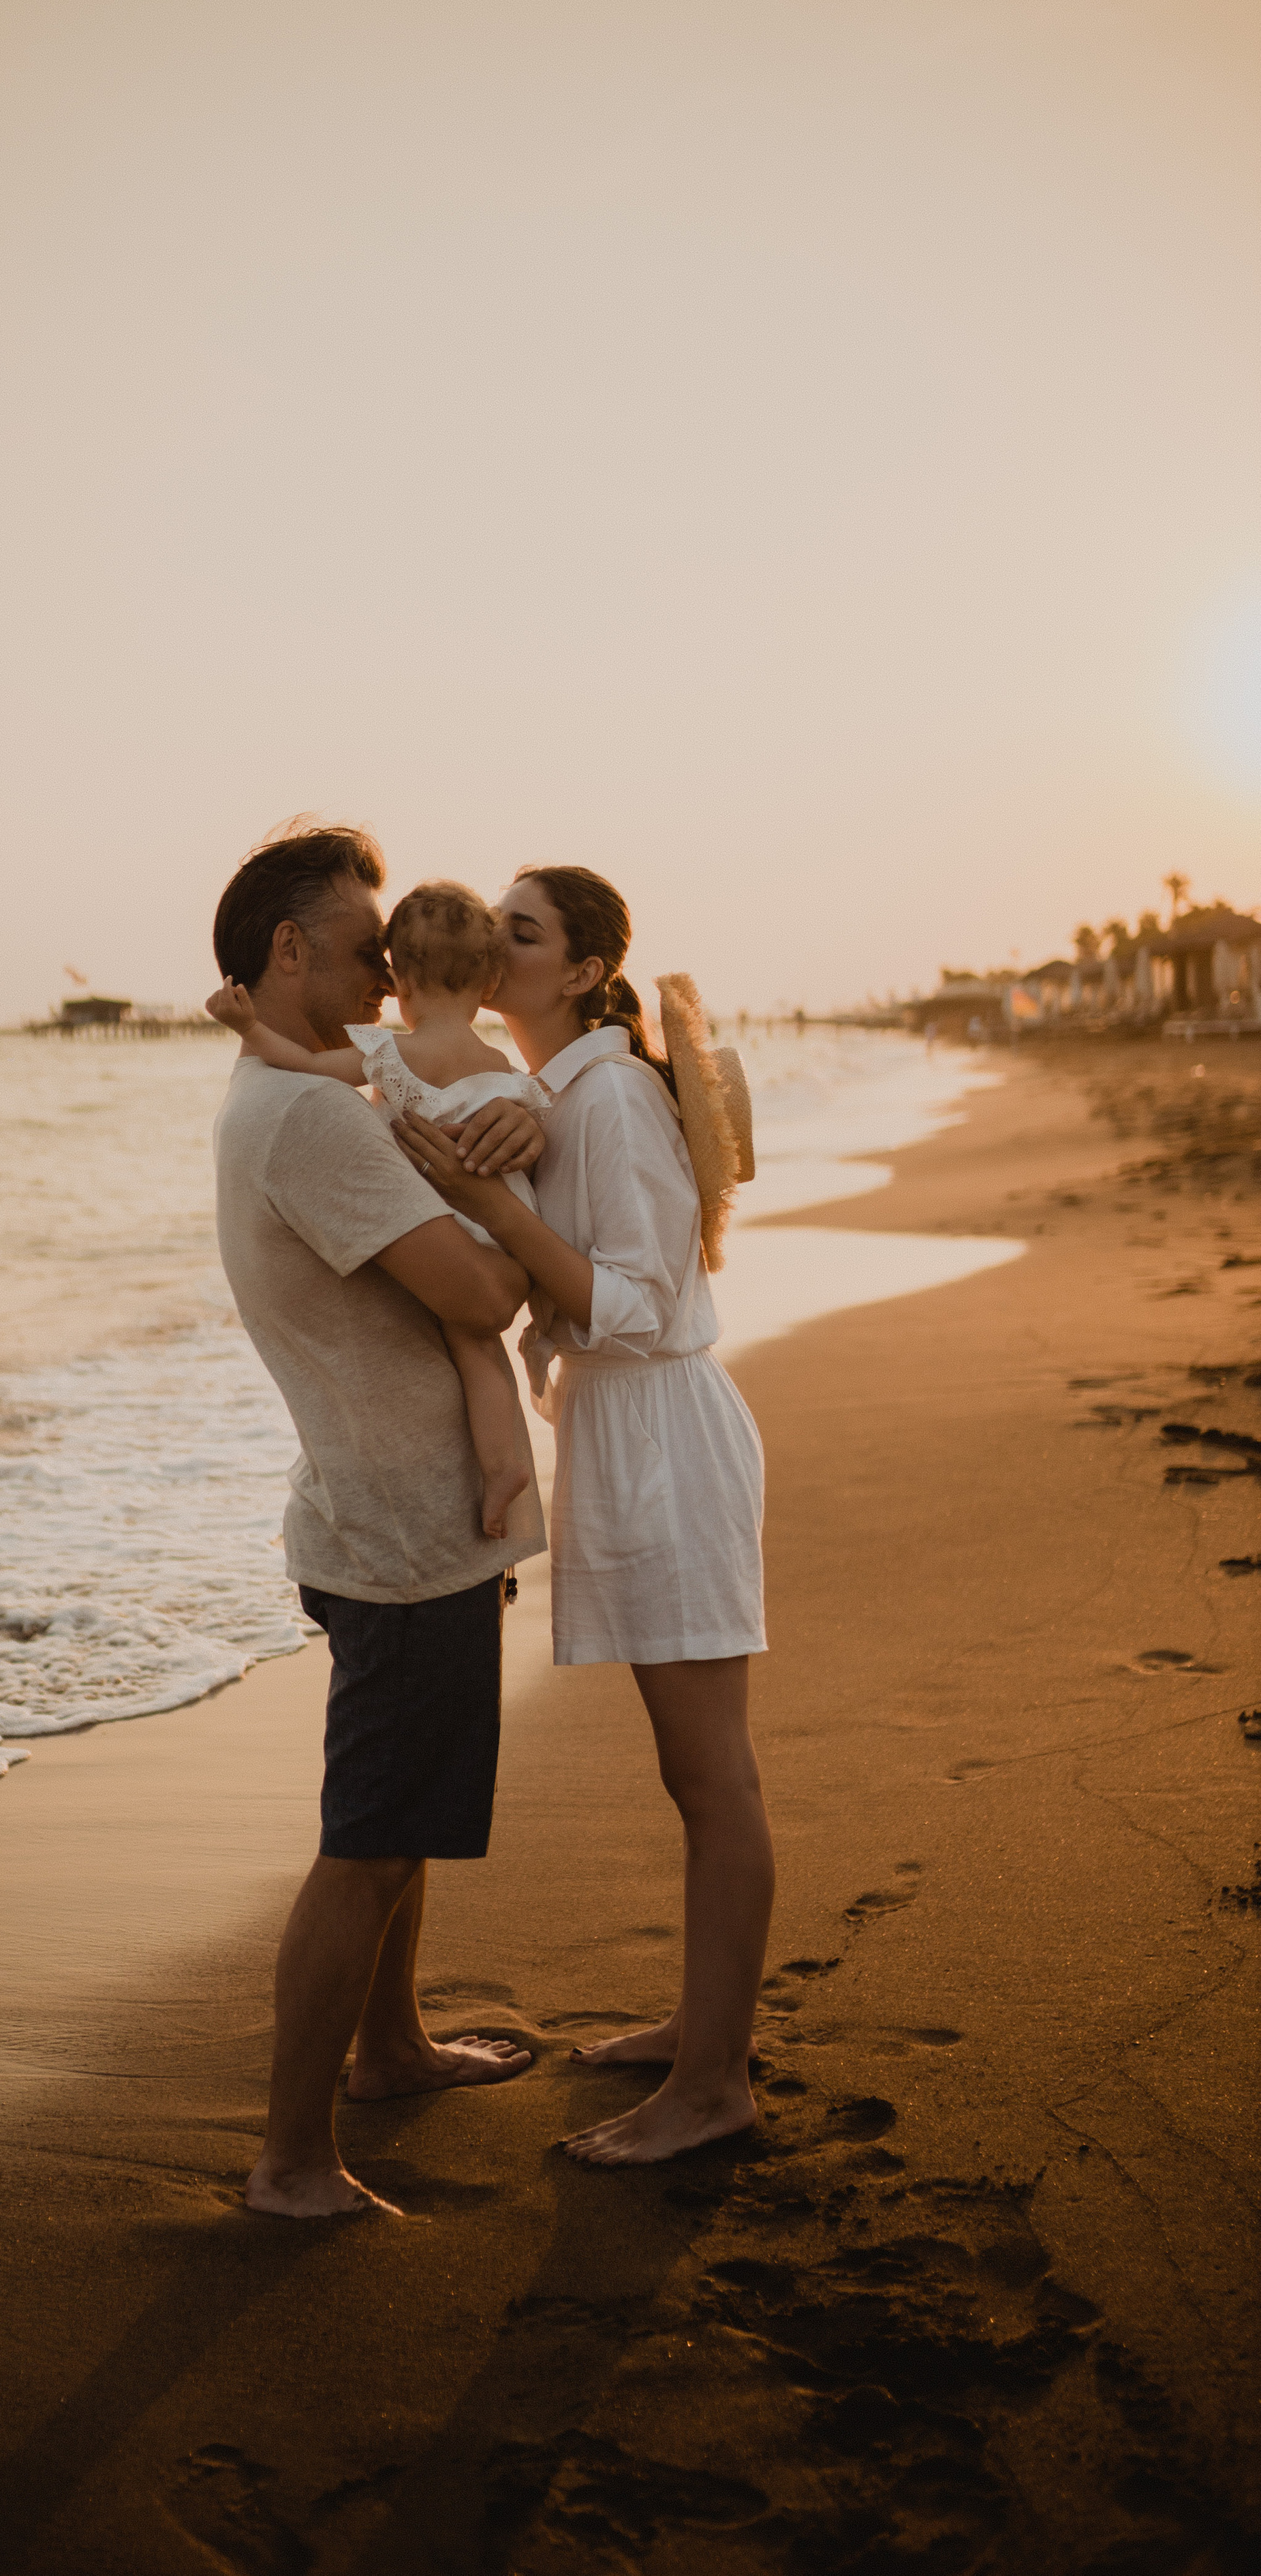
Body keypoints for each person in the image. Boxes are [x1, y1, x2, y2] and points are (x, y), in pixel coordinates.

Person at [390, 864, 774, 2167]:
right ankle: (700, 2028)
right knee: (692, 1772)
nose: (494, 946)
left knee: (712, 1777)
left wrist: (493, 1202)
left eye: (524, 931)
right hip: (627, 1438)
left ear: (585, 969)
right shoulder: (552, 1095)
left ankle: (715, 2082)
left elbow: (644, 1300)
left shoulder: (607, 1097)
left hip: (667, 1432)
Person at [208, 820, 549, 2217]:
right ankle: (292, 2160)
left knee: (398, 1823)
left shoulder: (293, 1094)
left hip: (378, 1515)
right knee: (368, 1840)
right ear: (288, 950)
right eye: (362, 946)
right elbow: (477, 1296)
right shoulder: (304, 1119)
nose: (386, 966)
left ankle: (392, 2049)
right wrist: (505, 1189)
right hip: (398, 1534)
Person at [206, 878, 548, 1538]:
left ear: (411, 985)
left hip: (461, 1209)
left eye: (390, 965)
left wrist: (247, 1028)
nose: (386, 988)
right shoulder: (500, 1063)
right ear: (486, 986)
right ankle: (501, 1460)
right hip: (507, 1213)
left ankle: (499, 1465)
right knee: (482, 1351)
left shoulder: (392, 1056)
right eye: (370, 958)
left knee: (470, 1341)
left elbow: (302, 1063)